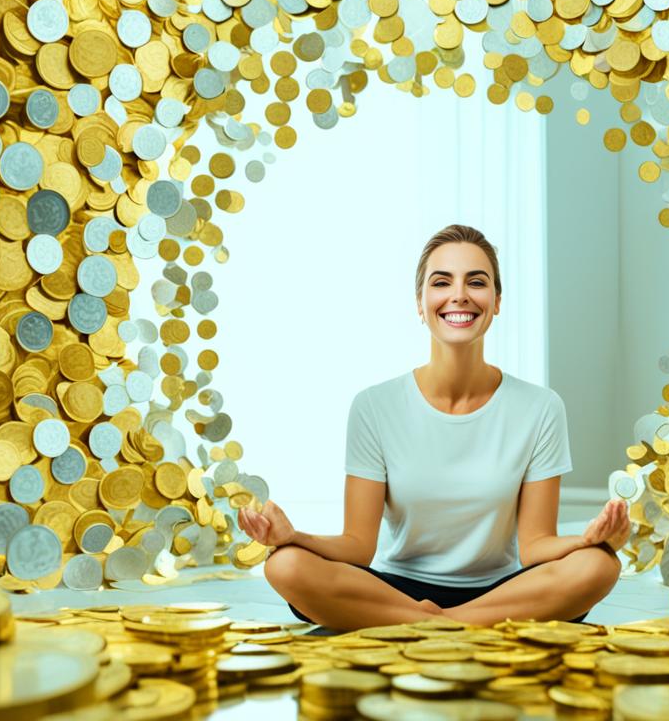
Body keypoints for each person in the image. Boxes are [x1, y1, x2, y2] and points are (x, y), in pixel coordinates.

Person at [238, 224, 631, 631]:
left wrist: (588, 541)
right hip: (393, 588)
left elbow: (535, 548)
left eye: (476, 282)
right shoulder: (374, 406)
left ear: (496, 302)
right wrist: (292, 537)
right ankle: (453, 626)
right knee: (285, 565)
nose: (459, 294)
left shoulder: (541, 408)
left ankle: (435, 625)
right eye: (442, 282)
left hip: (499, 589)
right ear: (420, 304)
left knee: (598, 566)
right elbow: (357, 546)